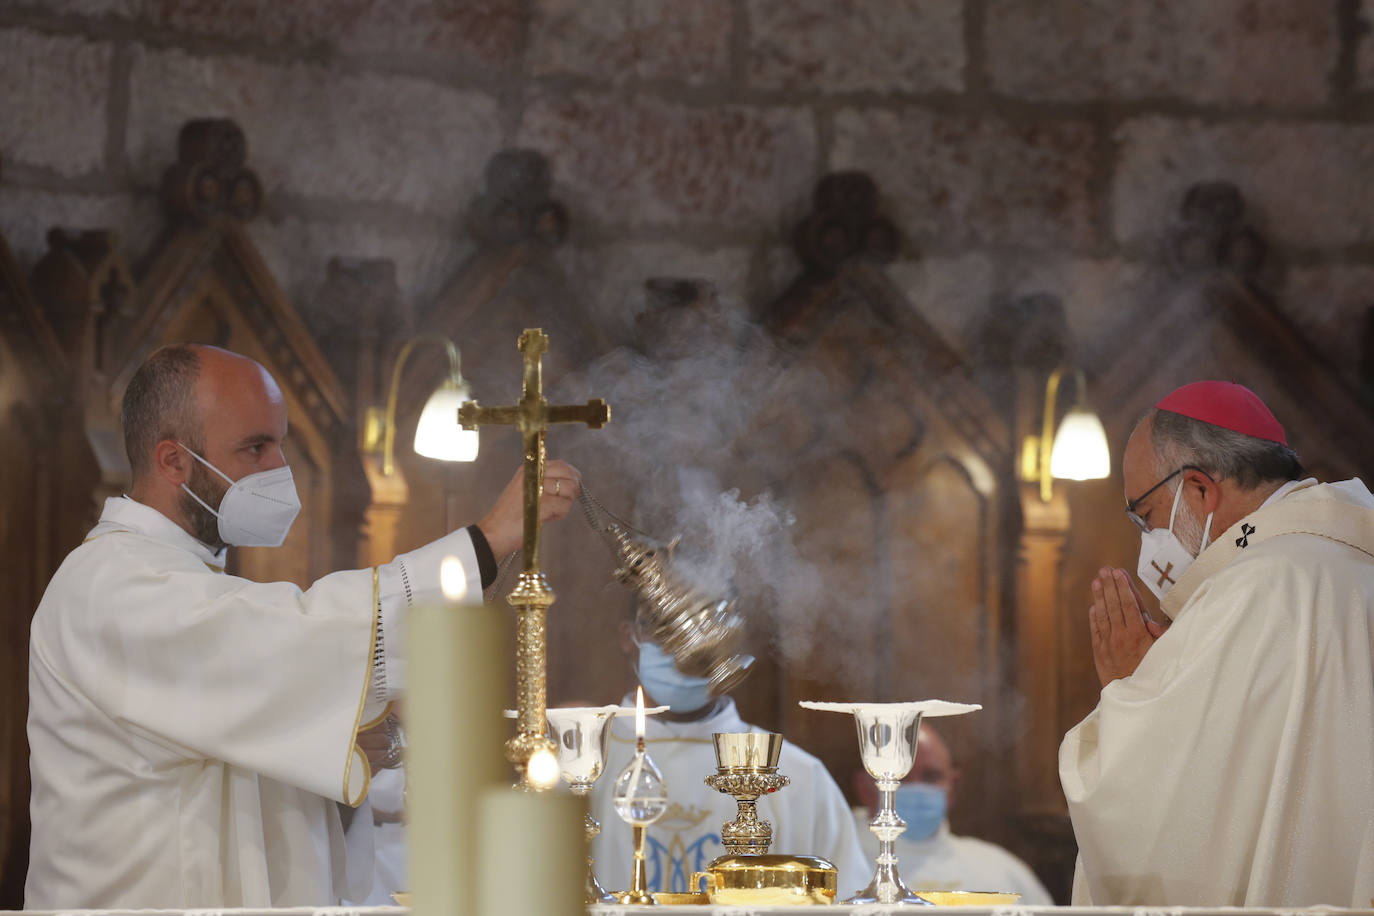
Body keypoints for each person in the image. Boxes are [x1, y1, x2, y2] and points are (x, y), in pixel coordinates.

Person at [25, 343, 582, 909]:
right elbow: (291, 636)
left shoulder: (186, 579)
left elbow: (267, 707)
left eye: (280, 444)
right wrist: (485, 543)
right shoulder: (109, 586)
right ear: (174, 462)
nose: (280, 469)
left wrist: (359, 740)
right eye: (255, 447)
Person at [1059, 380, 1374, 907]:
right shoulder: (1354, 560)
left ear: (1200, 491)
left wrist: (1128, 693)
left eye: (1146, 515)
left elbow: (1167, 821)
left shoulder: (1253, 591)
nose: (1147, 539)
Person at [588, 612, 871, 897]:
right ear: (629, 636)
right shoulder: (582, 767)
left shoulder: (800, 776)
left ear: (731, 638)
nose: (684, 645)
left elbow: (847, 899)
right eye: (663, 628)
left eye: (704, 625)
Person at [849, 725, 1052, 903]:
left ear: (952, 786)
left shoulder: (1002, 872)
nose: (917, 787)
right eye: (899, 777)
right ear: (865, 788)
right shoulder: (838, 867)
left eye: (931, 777)